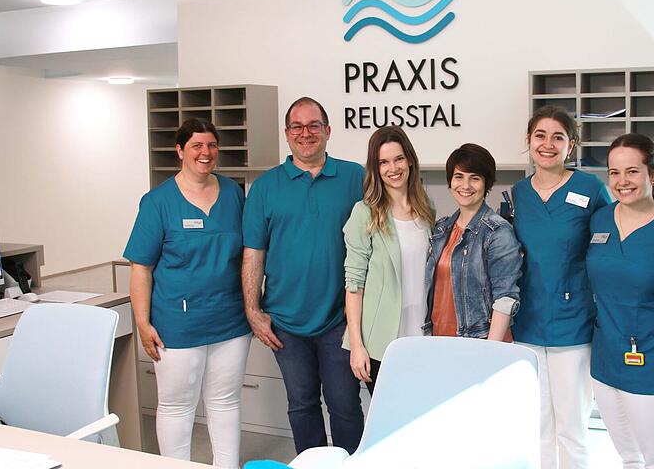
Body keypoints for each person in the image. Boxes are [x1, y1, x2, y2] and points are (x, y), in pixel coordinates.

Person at [123, 118, 251, 468]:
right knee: (177, 406)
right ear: (180, 150)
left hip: (230, 319)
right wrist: (142, 323)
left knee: (225, 401)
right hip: (177, 323)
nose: (205, 153)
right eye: (196, 145)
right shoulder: (158, 202)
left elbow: (248, 254)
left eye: (211, 145)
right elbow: (140, 268)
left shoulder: (233, 194)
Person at [241, 97, 365, 454]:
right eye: (297, 126)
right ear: (287, 133)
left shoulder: (355, 177)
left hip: (341, 319)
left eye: (313, 126)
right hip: (285, 321)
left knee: (345, 404)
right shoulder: (265, 187)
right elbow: (253, 254)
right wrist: (253, 311)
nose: (305, 133)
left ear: (328, 131)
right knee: (302, 404)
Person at [511, 105, 611, 469]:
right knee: (536, 424)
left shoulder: (590, 189)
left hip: (573, 322)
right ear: (529, 140)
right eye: (540, 136)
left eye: (558, 137)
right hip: (528, 321)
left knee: (571, 426)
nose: (548, 144)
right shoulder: (519, 193)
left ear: (571, 145)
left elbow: (609, 245)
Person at [586, 133, 654, 469]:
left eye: (632, 171)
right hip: (605, 357)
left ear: (653, 174)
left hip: (653, 359)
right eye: (614, 172)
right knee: (628, 456)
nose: (622, 181)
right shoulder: (599, 220)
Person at [343, 126, 434, 394]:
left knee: (421, 411)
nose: (393, 168)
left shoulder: (426, 208)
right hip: (381, 341)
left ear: (410, 160)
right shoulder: (364, 213)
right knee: (390, 414)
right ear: (375, 168)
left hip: (423, 334)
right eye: (383, 162)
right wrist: (357, 345)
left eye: (398, 159)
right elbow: (354, 285)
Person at [424, 143, 522, 341]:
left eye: (475, 178)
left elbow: (505, 299)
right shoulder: (441, 229)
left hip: (480, 342)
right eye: (459, 177)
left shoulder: (498, 232)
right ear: (450, 181)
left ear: (486, 183)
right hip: (439, 339)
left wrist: (488, 350)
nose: (465, 185)